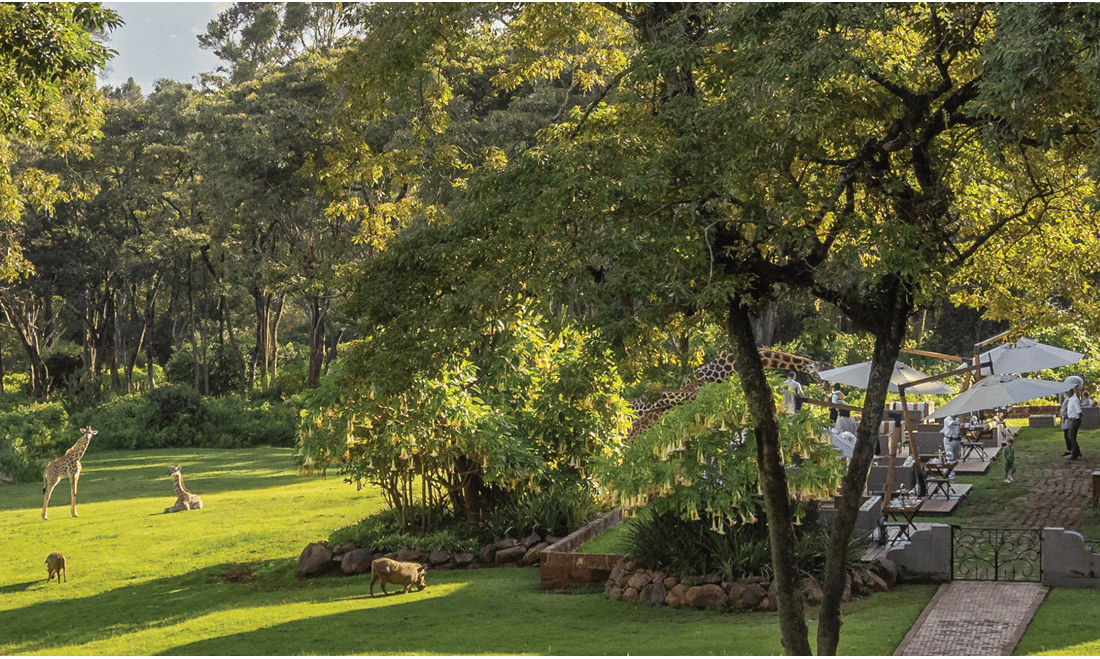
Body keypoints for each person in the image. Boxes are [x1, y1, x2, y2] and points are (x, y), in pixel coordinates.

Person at [1062, 387, 1083, 460]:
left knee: (1071, 436)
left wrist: (1077, 419)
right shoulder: (1070, 399)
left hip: (1075, 419)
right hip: (1071, 419)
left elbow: (1079, 411)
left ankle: (1074, 454)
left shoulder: (1074, 400)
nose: (1067, 393)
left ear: (1071, 392)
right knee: (1070, 436)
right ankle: (1077, 451)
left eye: (1068, 392)